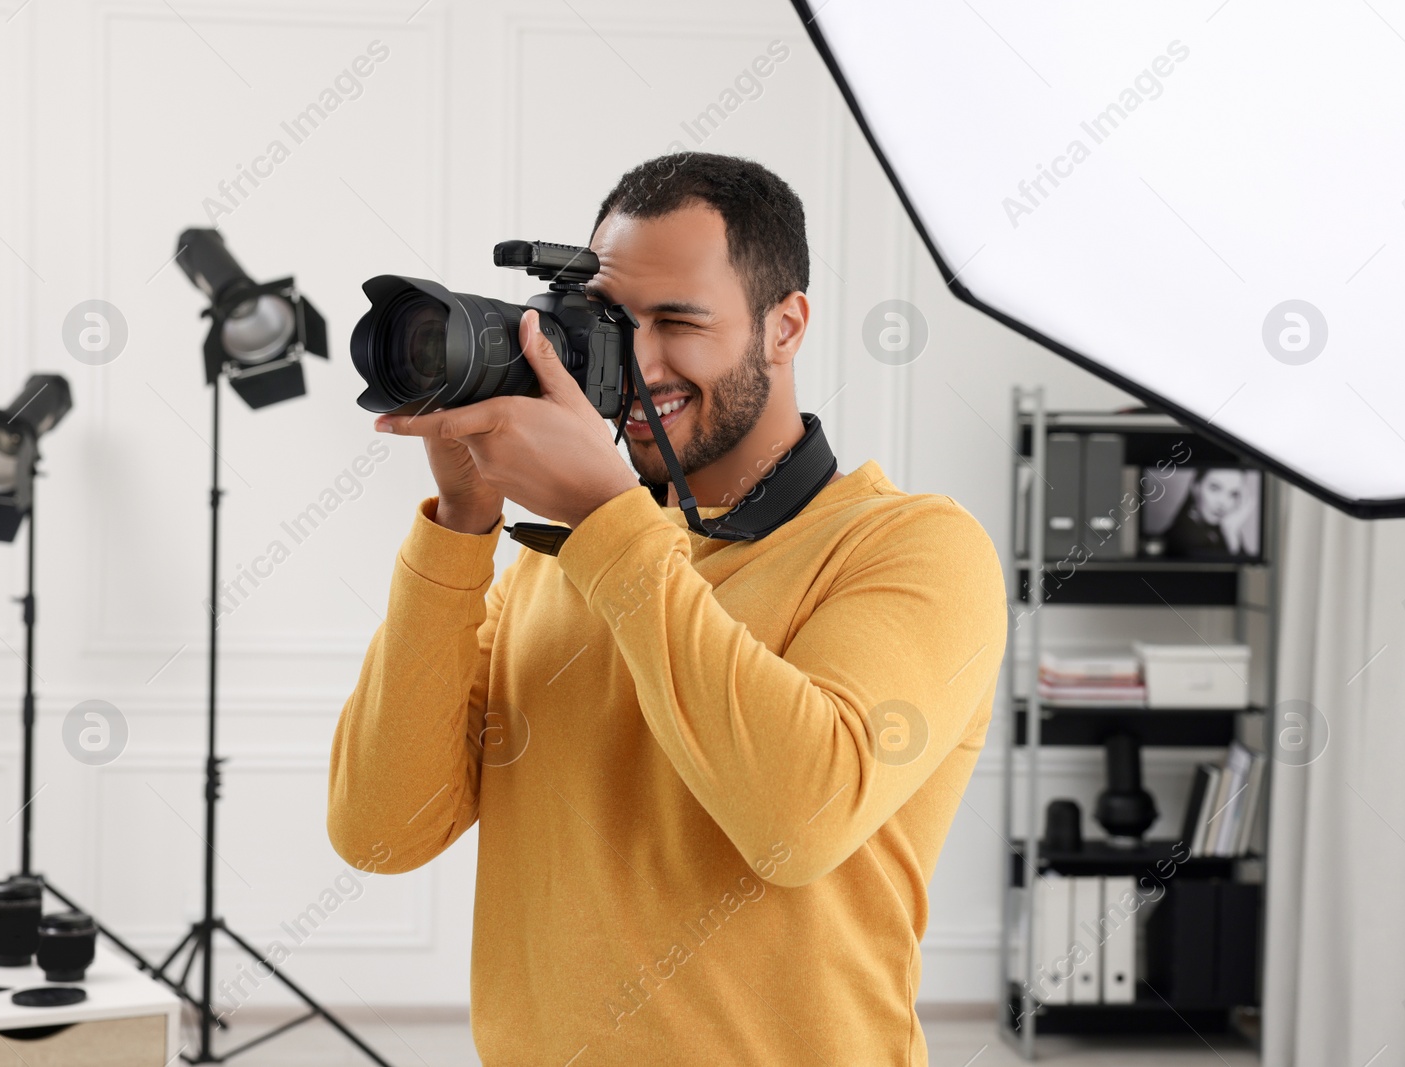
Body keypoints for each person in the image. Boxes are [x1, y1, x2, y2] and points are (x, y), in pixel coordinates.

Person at [326, 152, 1006, 1065]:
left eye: (678, 321)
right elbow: (380, 832)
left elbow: (795, 821)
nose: (636, 361)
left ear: (784, 327)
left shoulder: (916, 548)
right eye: (611, 323)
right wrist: (462, 523)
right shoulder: (561, 560)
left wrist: (607, 520)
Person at [1164, 468, 1258, 558]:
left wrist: (1231, 532)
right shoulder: (1182, 537)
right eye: (1215, 488)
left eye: (1233, 494)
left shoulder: (1222, 529)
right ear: (1195, 486)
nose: (1223, 502)